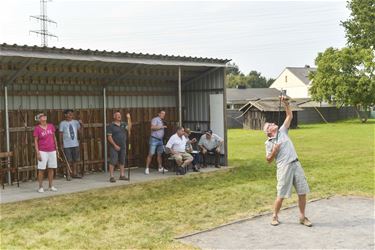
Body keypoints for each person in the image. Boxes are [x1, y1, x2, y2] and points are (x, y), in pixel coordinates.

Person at [263, 96, 312, 227]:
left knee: (302, 192)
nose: (273, 124)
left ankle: (302, 217)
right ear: (269, 131)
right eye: (271, 125)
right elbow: (268, 160)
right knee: (281, 194)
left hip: (296, 164)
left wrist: (285, 103)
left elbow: (289, 116)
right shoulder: (268, 143)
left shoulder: (282, 131)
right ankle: (274, 216)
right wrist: (274, 150)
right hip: (284, 168)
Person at [33, 112, 59, 193]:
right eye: (42, 116)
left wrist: (57, 148)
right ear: (39, 119)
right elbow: (36, 141)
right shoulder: (37, 128)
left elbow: (54, 137)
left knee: (51, 168)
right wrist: (38, 153)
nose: (44, 117)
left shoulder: (51, 126)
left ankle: (51, 186)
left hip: (52, 150)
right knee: (41, 169)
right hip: (42, 151)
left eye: (44, 116)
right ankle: (40, 187)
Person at [107, 111, 132, 183]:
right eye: (117, 115)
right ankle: (111, 177)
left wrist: (129, 118)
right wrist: (115, 145)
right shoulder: (110, 126)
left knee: (122, 160)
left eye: (120, 115)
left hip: (123, 145)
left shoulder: (123, 124)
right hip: (114, 146)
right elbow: (109, 137)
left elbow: (129, 128)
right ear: (114, 117)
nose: (119, 116)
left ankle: (122, 175)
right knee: (113, 161)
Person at [59, 109, 83, 180]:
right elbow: (60, 134)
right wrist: (61, 144)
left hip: (75, 144)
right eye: (69, 114)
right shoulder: (62, 123)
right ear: (65, 115)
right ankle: (68, 174)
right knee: (68, 160)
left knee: (75, 160)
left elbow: (80, 132)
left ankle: (74, 173)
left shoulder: (76, 122)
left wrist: (81, 125)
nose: (70, 115)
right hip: (67, 145)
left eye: (71, 114)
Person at [145, 110, 168, 174]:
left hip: (160, 140)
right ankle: (147, 168)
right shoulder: (155, 119)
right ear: (159, 114)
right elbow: (152, 127)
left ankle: (160, 168)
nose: (163, 115)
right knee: (151, 154)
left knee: (159, 154)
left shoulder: (162, 121)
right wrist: (162, 127)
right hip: (154, 139)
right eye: (162, 113)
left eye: (164, 114)